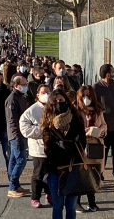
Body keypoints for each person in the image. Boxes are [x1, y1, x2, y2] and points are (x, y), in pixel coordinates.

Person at [41, 89, 86, 219]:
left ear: (67, 101)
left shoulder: (76, 117)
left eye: (61, 100)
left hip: (73, 165)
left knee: (71, 205)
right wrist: (63, 145)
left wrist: (69, 146)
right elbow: (47, 145)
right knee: (58, 205)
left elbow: (82, 141)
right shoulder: (48, 121)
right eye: (55, 101)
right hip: (55, 168)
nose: (58, 103)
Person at [20, 84, 53, 208]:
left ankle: (49, 194)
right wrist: (42, 130)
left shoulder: (54, 107)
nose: (46, 95)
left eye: (48, 92)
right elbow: (24, 128)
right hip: (39, 149)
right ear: (37, 95)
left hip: (53, 148)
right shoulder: (31, 111)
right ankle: (35, 197)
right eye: (43, 92)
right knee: (38, 174)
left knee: (51, 173)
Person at [75, 85, 107, 212]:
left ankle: (92, 202)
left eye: (89, 95)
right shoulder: (75, 109)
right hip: (80, 145)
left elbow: (104, 125)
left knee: (93, 174)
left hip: (95, 145)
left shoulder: (98, 109)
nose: (86, 98)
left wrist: (100, 131)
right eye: (84, 96)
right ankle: (76, 202)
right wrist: (86, 132)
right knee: (80, 174)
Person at [5, 76, 30, 198]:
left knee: (14, 160)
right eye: (23, 84)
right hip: (16, 134)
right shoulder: (12, 100)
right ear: (16, 85)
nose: (26, 86)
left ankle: (15, 185)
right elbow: (12, 121)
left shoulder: (20, 98)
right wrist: (17, 136)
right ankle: (12, 186)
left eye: (26, 83)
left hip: (21, 133)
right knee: (21, 160)